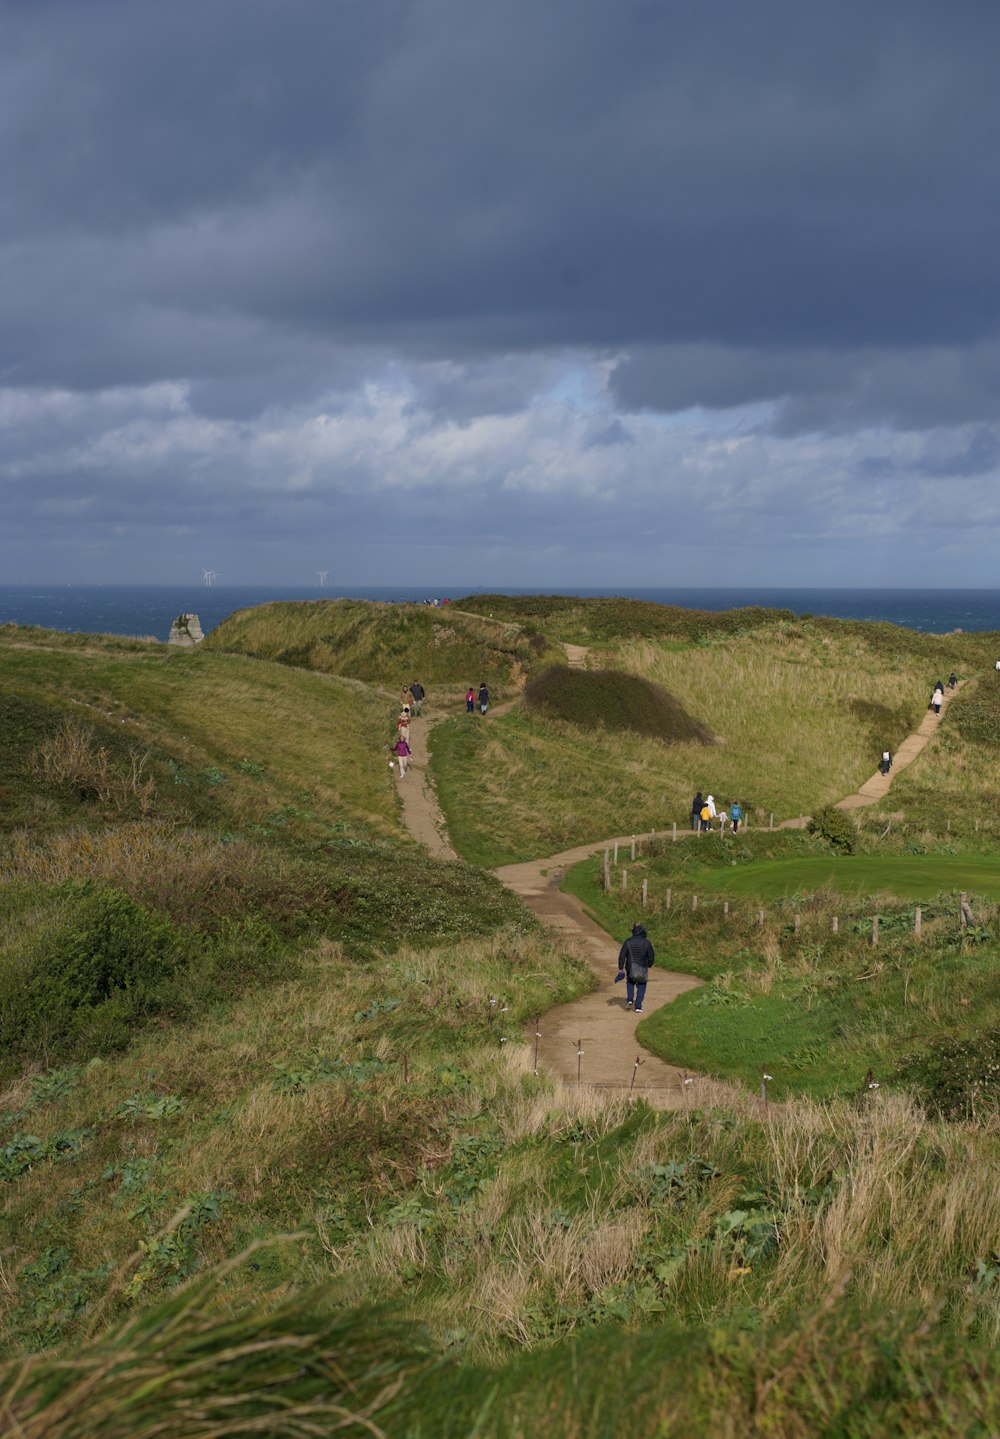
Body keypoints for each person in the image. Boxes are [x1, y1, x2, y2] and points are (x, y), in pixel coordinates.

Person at [617, 922, 655, 1013]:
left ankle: (630, 1000)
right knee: (641, 986)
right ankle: (638, 1006)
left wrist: (620, 967)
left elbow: (622, 955)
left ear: (633, 931)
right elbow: (651, 956)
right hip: (642, 967)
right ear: (643, 931)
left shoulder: (628, 941)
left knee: (630, 982)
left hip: (630, 967)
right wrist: (649, 964)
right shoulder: (647, 943)